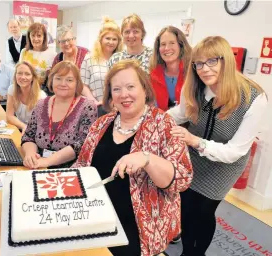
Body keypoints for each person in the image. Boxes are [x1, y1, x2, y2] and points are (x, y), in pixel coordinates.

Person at [73, 59, 193, 256]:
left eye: (130, 86)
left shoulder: (164, 124)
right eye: (117, 89)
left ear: (145, 90)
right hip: (95, 217)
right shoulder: (101, 123)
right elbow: (82, 164)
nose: (124, 94)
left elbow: (181, 179)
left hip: (138, 228)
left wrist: (148, 159)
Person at [167, 36, 268, 256]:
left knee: (204, 210)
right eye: (199, 63)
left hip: (225, 164)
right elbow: (181, 113)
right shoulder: (195, 87)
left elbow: (235, 151)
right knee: (185, 206)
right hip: (192, 157)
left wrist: (194, 140)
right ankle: (186, 251)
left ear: (226, 61)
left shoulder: (253, 98)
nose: (204, 69)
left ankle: (196, 253)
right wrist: (155, 119)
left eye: (212, 61)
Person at [21, 61, 98, 169]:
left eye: (69, 80)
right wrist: (30, 155)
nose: (63, 83)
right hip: (38, 166)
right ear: (51, 80)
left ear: (77, 83)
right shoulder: (41, 104)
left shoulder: (87, 107)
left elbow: (82, 145)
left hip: (70, 170)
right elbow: (28, 136)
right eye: (58, 78)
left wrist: (47, 161)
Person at [80, 17, 123, 105]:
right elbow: (83, 85)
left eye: (114, 39)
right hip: (96, 106)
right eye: (108, 38)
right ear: (100, 39)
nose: (111, 42)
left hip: (118, 106)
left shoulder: (121, 60)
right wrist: (94, 102)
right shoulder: (89, 58)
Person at [150, 26, 192, 111]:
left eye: (172, 43)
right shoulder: (153, 76)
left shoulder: (192, 72)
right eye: (163, 44)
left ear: (181, 45)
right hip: (161, 122)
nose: (167, 48)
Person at [6, 61, 47, 135]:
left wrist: (26, 130)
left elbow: (42, 125)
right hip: (21, 128)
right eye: (19, 73)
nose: (22, 77)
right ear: (15, 75)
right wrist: (23, 126)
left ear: (33, 78)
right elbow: (9, 116)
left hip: (36, 133)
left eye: (27, 74)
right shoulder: (12, 89)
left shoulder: (41, 97)